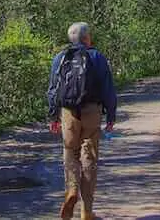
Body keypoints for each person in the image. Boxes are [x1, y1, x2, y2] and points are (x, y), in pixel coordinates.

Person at [47, 22, 117, 220]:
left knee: (70, 152)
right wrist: (111, 116)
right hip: (92, 111)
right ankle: (87, 211)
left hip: (68, 112)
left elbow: (53, 89)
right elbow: (108, 89)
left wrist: (53, 115)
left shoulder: (60, 58)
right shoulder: (97, 57)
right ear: (87, 38)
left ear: (71, 39)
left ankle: (71, 190)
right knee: (89, 158)